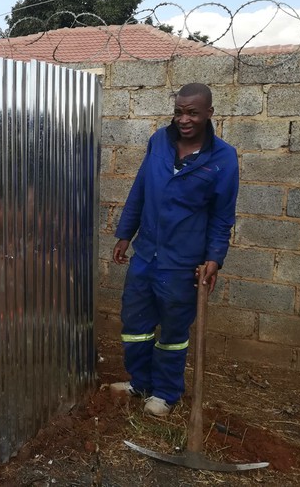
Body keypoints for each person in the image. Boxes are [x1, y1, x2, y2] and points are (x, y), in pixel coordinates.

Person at [110, 82, 239, 416]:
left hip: (182, 263)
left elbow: (223, 216)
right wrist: (125, 234)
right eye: (179, 111)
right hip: (146, 254)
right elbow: (140, 189)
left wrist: (214, 258)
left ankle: (165, 394)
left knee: (173, 333)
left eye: (193, 113)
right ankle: (141, 383)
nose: (184, 119)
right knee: (135, 325)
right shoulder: (159, 142)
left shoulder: (223, 158)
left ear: (209, 113)